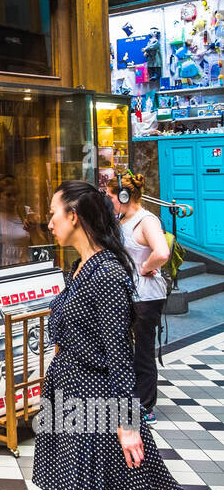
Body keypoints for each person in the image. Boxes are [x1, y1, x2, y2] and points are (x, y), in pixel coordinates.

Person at [32, 180, 186, 490]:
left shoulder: (106, 274)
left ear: (75, 215)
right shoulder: (82, 268)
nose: (50, 220)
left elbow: (120, 355)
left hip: (98, 406)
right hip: (78, 400)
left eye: (54, 212)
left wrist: (126, 424)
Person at [106, 171, 170, 424]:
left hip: (145, 296)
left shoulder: (146, 221)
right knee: (127, 351)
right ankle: (130, 399)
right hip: (129, 295)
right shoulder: (122, 219)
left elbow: (162, 252)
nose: (109, 200)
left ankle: (145, 406)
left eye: (111, 196)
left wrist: (144, 268)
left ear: (124, 195)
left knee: (142, 351)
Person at [0, 174, 46, 268]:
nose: (13, 199)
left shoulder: (25, 213)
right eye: (8, 195)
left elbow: (42, 245)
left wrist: (33, 231)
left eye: (16, 194)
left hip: (23, 268)